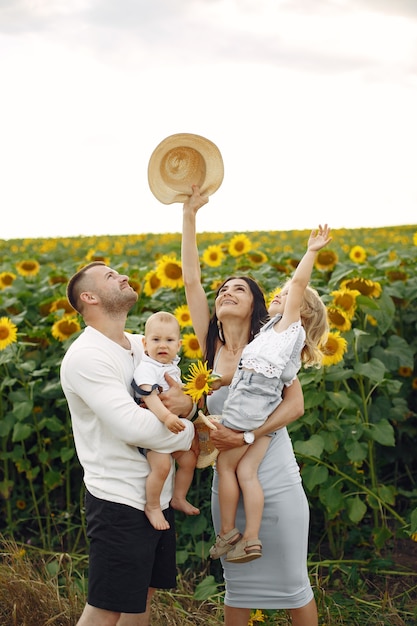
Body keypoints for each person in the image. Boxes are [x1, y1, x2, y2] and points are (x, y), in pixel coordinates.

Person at [181, 185, 320, 626]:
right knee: (238, 588)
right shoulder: (211, 344)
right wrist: (189, 216)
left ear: (257, 304)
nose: (225, 292)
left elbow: (294, 407)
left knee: (294, 586)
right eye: (223, 289)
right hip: (229, 487)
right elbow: (191, 280)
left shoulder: (268, 346)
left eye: (238, 288)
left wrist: (244, 434)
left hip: (273, 473)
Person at [60, 261, 196, 626]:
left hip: (157, 496)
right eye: (109, 276)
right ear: (89, 298)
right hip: (119, 500)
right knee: (108, 607)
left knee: (141, 597)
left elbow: (180, 395)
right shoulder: (88, 356)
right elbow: (134, 427)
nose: (122, 276)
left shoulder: (142, 344)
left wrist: (190, 406)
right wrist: (192, 431)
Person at [206, 226, 330, 564]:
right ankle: (251, 539)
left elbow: (301, 283)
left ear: (300, 309)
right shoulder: (270, 335)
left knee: (224, 466)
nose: (280, 294)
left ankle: (229, 532)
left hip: (247, 410)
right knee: (246, 472)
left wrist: (312, 251)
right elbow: (253, 370)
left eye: (287, 294)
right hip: (263, 415)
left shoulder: (288, 326)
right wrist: (221, 380)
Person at [131, 311, 200, 531]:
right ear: (145, 343)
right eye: (156, 339)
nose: (163, 345)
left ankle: (178, 497)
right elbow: (149, 397)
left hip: (172, 429)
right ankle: (152, 506)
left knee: (189, 461)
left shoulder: (171, 367)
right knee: (160, 468)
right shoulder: (147, 368)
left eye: (169, 340)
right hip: (154, 429)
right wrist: (168, 416)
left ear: (179, 345)